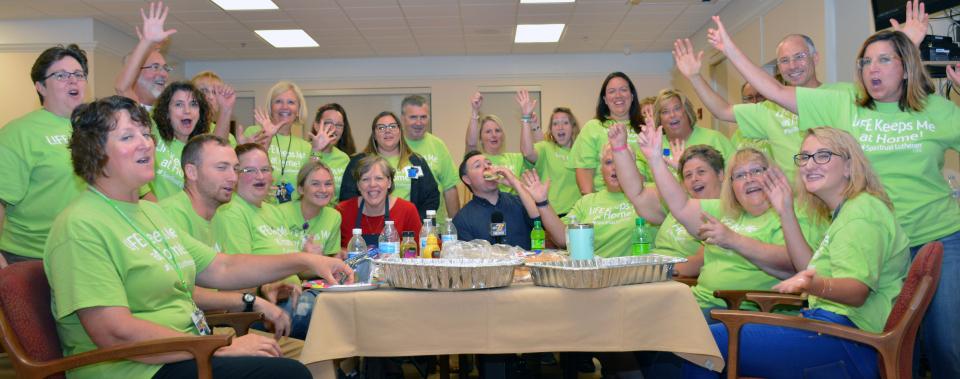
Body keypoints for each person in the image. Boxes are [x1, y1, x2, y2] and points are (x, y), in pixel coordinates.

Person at [707, 5, 959, 374]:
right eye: (865, 62)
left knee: (947, 345)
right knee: (907, 347)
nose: (872, 69)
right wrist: (729, 50)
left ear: (906, 66)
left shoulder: (936, 109)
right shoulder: (844, 105)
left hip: (940, 235)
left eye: (885, 60)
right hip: (885, 242)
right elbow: (774, 90)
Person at [45, 95, 352, 379]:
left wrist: (306, 260)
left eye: (145, 134)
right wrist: (217, 346)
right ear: (95, 153)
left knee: (303, 360)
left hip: (186, 348)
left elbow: (222, 268)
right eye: (128, 137)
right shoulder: (80, 225)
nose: (145, 145)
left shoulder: (149, 213)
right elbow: (114, 331)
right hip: (135, 368)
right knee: (286, 374)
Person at [685, 127, 910, 379]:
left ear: (849, 166)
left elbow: (856, 292)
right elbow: (808, 268)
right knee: (701, 341)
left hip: (848, 341)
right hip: (829, 330)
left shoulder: (862, 212)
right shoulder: (847, 211)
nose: (809, 165)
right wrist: (785, 211)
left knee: (700, 342)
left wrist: (811, 285)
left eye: (823, 155)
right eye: (804, 157)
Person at [619, 124, 825, 318]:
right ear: (731, 185)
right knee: (626, 315)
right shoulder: (725, 211)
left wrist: (733, 239)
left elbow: (794, 264)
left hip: (736, 313)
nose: (750, 178)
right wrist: (655, 159)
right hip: (697, 302)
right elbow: (680, 205)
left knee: (646, 326)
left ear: (773, 174)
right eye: (740, 175)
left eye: (757, 171)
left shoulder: (793, 212)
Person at [159, 134, 303, 357]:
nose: (232, 178)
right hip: (183, 340)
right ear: (191, 172)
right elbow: (179, 293)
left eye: (235, 169)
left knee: (312, 353)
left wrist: (263, 288)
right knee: (292, 366)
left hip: (214, 328)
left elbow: (227, 275)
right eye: (222, 168)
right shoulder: (168, 215)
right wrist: (252, 299)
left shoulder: (219, 215)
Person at [673, 34, 846, 181]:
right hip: (795, 210)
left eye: (799, 57)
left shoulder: (841, 96)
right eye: (784, 60)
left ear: (815, 58)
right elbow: (723, 111)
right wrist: (694, 77)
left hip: (839, 204)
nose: (792, 65)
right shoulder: (770, 109)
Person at [0, 44, 88, 267]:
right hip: (29, 258)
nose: (73, 80)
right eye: (61, 75)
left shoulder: (96, 128)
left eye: (78, 74)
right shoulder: (18, 133)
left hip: (84, 249)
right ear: (40, 87)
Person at [525, 143, 665, 258]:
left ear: (632, 165)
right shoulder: (587, 202)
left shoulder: (651, 194)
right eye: (609, 162)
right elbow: (562, 238)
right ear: (601, 169)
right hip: (596, 279)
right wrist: (542, 202)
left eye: (621, 161)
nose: (615, 167)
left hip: (638, 279)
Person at [339, 111, 440, 220]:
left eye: (392, 126)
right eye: (381, 128)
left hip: (407, 226)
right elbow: (347, 198)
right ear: (374, 135)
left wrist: (415, 220)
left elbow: (431, 197)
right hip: (369, 225)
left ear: (400, 132)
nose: (388, 131)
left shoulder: (416, 162)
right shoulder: (358, 162)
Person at [244, 81, 327, 203]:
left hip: (293, 216)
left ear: (298, 110)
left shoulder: (305, 146)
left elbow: (309, 184)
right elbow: (242, 172)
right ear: (271, 108)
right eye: (278, 101)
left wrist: (316, 150)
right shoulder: (254, 133)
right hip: (259, 211)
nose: (285, 107)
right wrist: (267, 138)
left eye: (291, 102)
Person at [568, 72, 647, 195]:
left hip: (642, 198)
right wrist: (592, 203)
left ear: (632, 96)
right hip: (604, 201)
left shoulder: (645, 128)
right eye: (611, 91)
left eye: (623, 90)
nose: (618, 95)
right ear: (604, 99)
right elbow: (584, 169)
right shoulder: (592, 127)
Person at [655, 144, 725, 276]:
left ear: (720, 174)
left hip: (672, 279)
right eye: (688, 175)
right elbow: (637, 195)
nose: (694, 179)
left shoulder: (723, 212)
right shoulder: (682, 204)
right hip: (653, 268)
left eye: (701, 172)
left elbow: (698, 263)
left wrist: (650, 273)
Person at [453, 151, 544, 250]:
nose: (487, 167)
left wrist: (515, 183)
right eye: (478, 166)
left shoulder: (520, 201)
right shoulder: (462, 219)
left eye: (489, 163)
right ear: (467, 179)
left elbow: (539, 224)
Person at [336, 155, 422, 248]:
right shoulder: (342, 211)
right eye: (365, 179)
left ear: (389, 182)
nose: (372, 184)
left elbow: (419, 253)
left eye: (379, 178)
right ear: (358, 185)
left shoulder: (407, 211)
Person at [517, 89, 581, 216]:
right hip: (551, 216)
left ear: (573, 127)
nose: (560, 127)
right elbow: (527, 152)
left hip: (578, 217)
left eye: (565, 123)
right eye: (555, 124)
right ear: (551, 130)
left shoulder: (581, 152)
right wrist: (526, 118)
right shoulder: (546, 148)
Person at [147, 81, 210, 200]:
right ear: (166, 113)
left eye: (193, 104)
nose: (187, 110)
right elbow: (123, 88)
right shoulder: (153, 133)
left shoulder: (201, 150)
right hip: (154, 214)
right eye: (179, 104)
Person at [401, 95, 461, 220]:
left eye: (423, 117)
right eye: (413, 117)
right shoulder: (393, 146)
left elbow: (449, 188)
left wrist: (456, 226)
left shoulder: (438, 145)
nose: (419, 122)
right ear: (403, 119)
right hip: (399, 225)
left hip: (434, 227)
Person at [651, 88, 734, 168]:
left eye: (677, 108)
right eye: (665, 112)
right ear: (659, 118)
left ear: (687, 111)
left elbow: (736, 174)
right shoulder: (654, 146)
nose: (672, 115)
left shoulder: (714, 139)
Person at [114, 1, 172, 110]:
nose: (164, 74)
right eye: (155, 67)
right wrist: (146, 42)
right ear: (135, 74)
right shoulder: (129, 111)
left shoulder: (168, 113)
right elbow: (121, 88)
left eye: (165, 68)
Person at [464, 92, 526, 193]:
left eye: (497, 131)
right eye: (488, 132)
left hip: (514, 206)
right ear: (480, 137)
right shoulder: (477, 160)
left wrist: (527, 118)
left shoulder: (517, 158)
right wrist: (475, 112)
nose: (494, 135)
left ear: (503, 135)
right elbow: (470, 143)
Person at [308, 103, 354, 199]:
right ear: (316, 126)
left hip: (334, 213)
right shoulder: (303, 150)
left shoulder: (344, 159)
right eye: (328, 123)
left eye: (339, 125)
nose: (333, 129)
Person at [191, 71, 237, 141]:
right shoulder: (183, 128)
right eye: (204, 91)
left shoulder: (229, 138)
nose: (210, 97)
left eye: (215, 92)